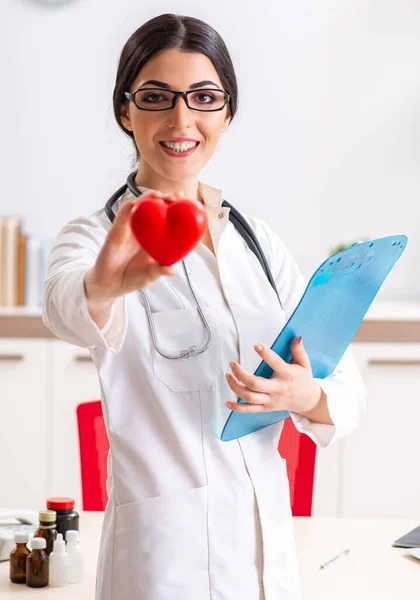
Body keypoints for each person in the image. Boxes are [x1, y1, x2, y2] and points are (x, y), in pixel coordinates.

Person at [42, 13, 367, 600]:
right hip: (164, 566)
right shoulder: (95, 237)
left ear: (227, 113)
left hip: (267, 565)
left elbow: (339, 374)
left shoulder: (256, 242)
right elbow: (65, 304)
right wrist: (103, 288)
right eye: (156, 97)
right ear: (125, 112)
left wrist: (306, 395)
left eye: (204, 97)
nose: (181, 118)